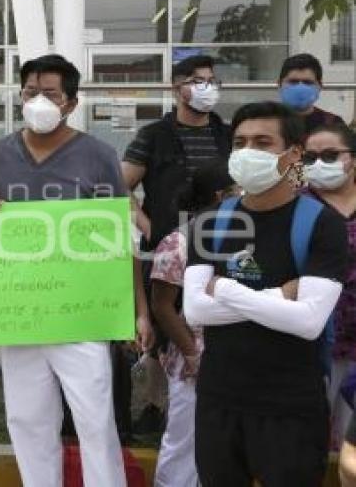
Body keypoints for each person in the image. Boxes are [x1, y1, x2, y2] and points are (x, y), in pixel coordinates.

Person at [0, 53, 154, 487]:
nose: (39, 101)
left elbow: (119, 236)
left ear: (71, 103)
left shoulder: (97, 156)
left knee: (95, 421)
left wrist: (139, 310)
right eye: (31, 92)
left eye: (50, 94)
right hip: (19, 313)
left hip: (82, 315)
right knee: (27, 421)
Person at [184, 101, 348, 486]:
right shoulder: (211, 222)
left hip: (290, 403)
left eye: (262, 142)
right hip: (219, 398)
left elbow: (308, 323)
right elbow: (194, 310)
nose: (247, 152)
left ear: (292, 154)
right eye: (240, 143)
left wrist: (223, 288)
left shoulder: (322, 224)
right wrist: (279, 296)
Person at [150, 161, 237, 487]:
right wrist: (192, 354)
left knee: (224, 443)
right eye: (237, 191)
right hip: (196, 357)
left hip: (236, 356)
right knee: (185, 441)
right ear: (221, 195)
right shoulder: (180, 241)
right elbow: (162, 306)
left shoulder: (239, 232)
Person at [122, 54, 231, 255]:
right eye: (198, 82)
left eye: (211, 82)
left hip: (221, 243)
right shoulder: (153, 135)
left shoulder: (230, 136)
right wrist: (149, 229)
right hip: (165, 247)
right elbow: (120, 187)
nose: (207, 88)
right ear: (176, 89)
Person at [303, 123, 356, 448]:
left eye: (330, 155)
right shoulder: (295, 206)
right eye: (310, 157)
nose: (319, 163)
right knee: (311, 441)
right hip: (314, 344)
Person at [278, 53, 345, 134]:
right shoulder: (265, 122)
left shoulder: (333, 124)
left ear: (319, 86)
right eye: (293, 82)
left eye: (307, 82)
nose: (300, 87)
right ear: (280, 84)